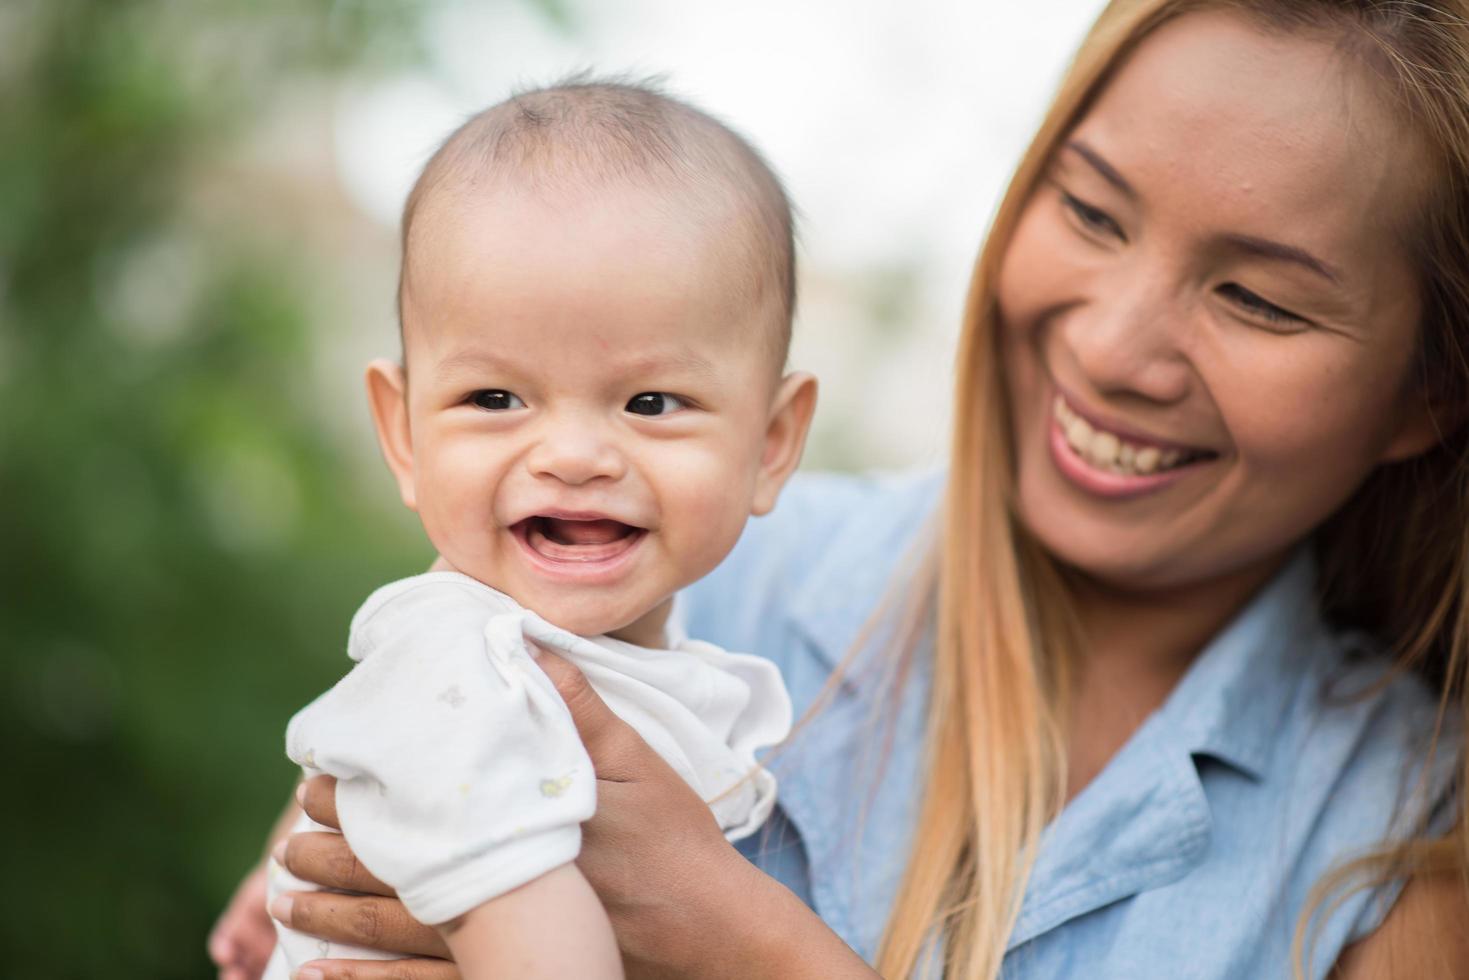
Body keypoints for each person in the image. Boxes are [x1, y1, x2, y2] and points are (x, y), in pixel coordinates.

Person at [214, 1, 1469, 977]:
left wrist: (743, 946)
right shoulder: (673, 566)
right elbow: (412, 692)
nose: (1109, 348)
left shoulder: (1405, 835)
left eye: (1256, 297)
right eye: (1089, 211)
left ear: (1423, 394)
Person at [232, 78, 819, 980]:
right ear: (403, 434)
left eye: (651, 402)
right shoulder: (479, 667)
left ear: (771, 444)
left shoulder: (523, 655)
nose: (575, 455)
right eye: (495, 397)